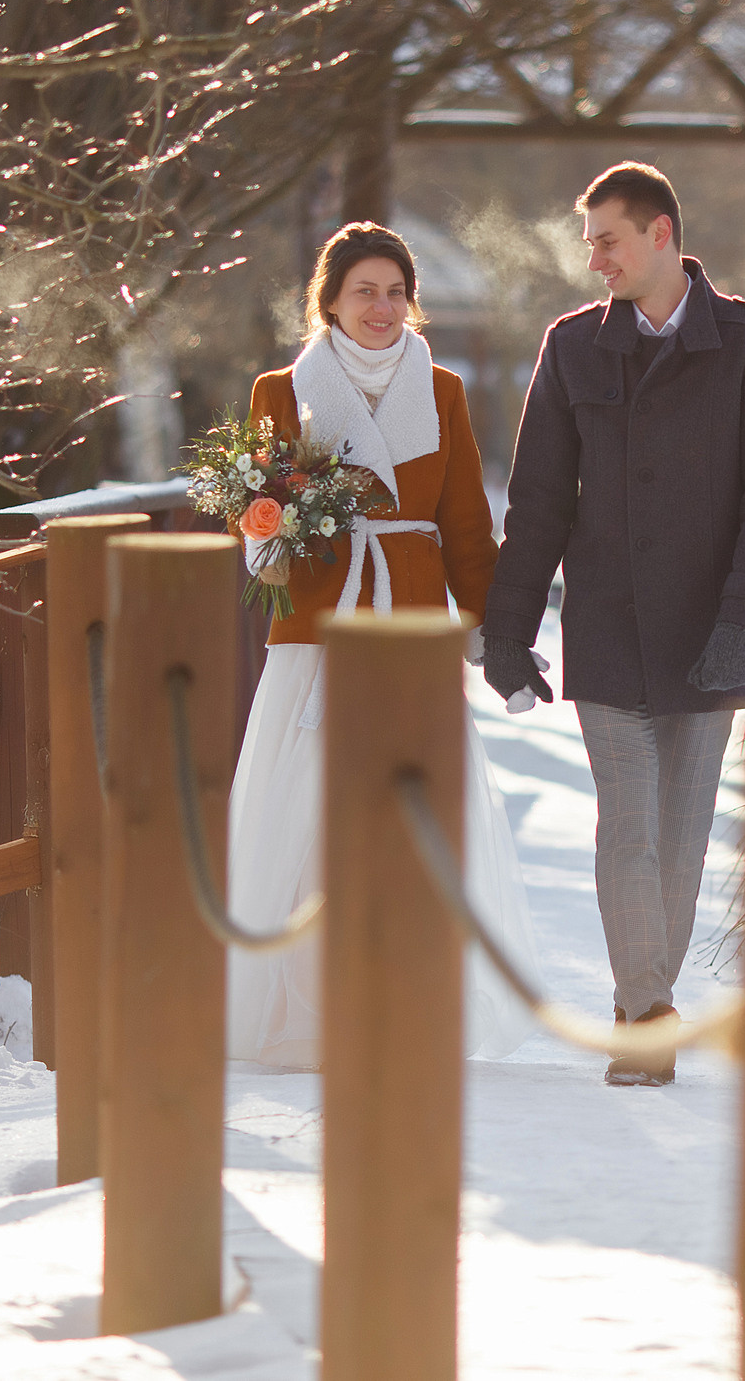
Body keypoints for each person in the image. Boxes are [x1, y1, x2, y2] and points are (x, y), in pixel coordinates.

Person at [480, 162, 745, 1086]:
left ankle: (640, 1005)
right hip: (610, 625)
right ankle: (645, 1017)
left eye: (607, 239)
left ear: (661, 233)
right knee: (629, 821)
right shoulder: (574, 346)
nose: (594, 261)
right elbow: (538, 500)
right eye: (589, 242)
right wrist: (510, 629)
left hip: (712, 629)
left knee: (684, 830)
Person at [226, 221, 541, 1067]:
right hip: (319, 631)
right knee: (308, 817)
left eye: (397, 292)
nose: (382, 306)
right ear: (328, 299)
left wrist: (494, 638)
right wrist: (266, 528)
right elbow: (256, 505)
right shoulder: (282, 388)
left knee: (408, 814)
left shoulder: (440, 390)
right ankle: (309, 1014)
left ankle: (401, 1002)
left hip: (409, 628)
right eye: (365, 290)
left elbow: (467, 526)